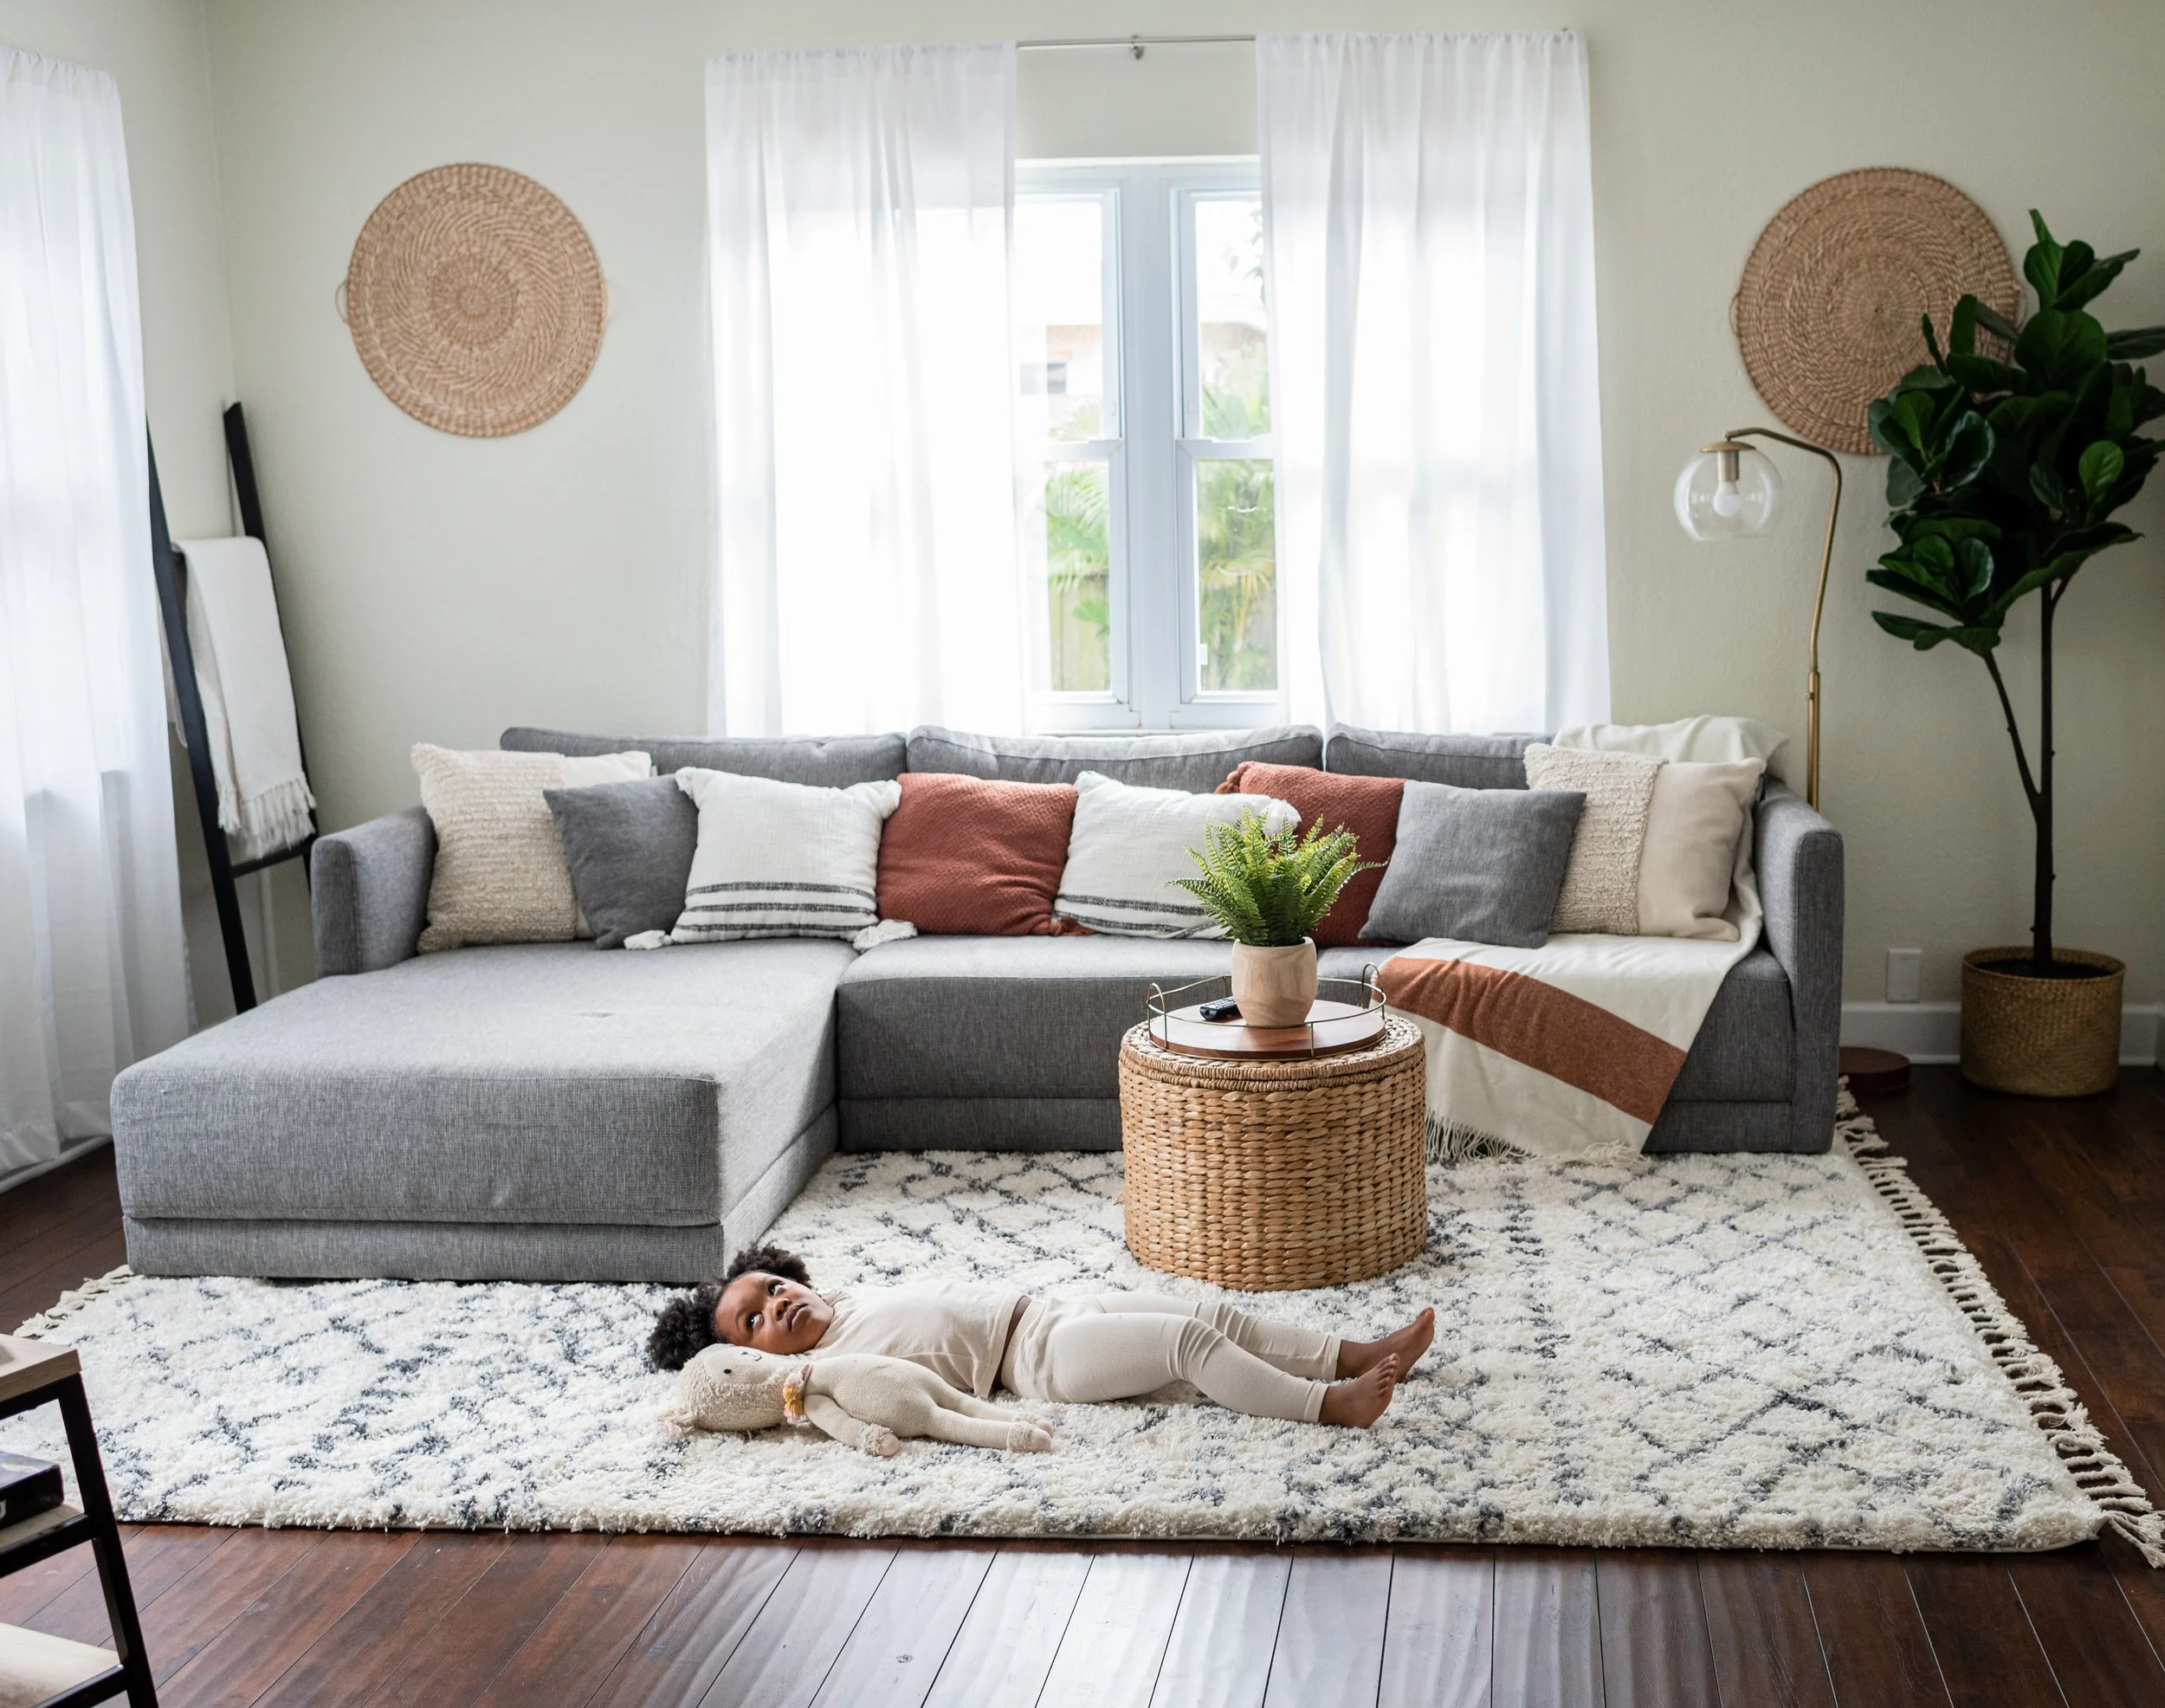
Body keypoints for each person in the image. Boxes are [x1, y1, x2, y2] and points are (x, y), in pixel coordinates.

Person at [647, 1244, 1434, 1428]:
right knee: (1186, 1348)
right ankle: (1328, 1405)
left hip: (1054, 1309)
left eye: (773, 1288)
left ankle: (1351, 1354)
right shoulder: (824, 1369)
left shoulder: (847, 1300)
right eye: (754, 1321)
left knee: (1209, 1316)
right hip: (1037, 1362)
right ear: (749, 1353)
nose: (776, 1306)